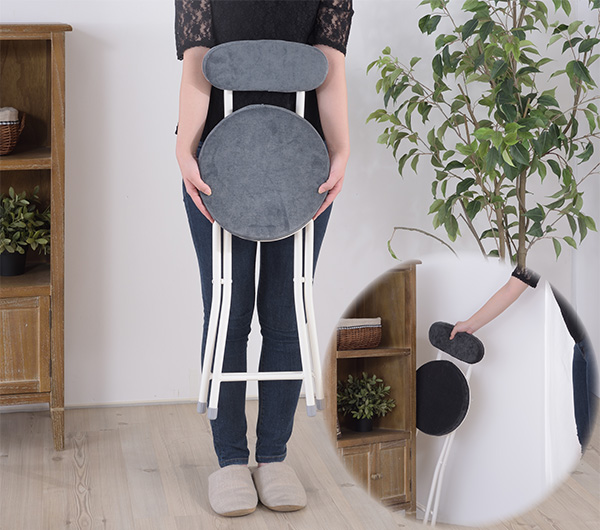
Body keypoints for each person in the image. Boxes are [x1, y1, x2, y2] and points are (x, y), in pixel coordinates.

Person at [174, 0, 353, 517]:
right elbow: (197, 59)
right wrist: (184, 148)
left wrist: (342, 148)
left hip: (302, 163)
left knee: (286, 312)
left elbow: (329, 63)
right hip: (218, 161)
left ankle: (273, 457)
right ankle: (230, 459)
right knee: (226, 312)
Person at [450, 265, 597, 450]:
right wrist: (470, 325)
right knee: (585, 435)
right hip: (581, 345)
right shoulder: (543, 250)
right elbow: (511, 289)